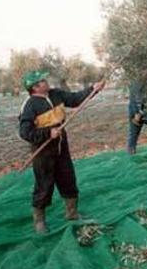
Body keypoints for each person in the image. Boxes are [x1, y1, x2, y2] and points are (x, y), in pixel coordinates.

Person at [19, 70, 105, 234]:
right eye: (42, 81)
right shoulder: (29, 106)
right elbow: (25, 132)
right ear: (35, 87)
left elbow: (74, 99)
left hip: (61, 144)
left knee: (67, 177)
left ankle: (72, 213)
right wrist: (47, 133)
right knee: (44, 184)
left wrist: (93, 89)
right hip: (43, 149)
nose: (46, 82)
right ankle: (39, 221)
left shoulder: (56, 94)